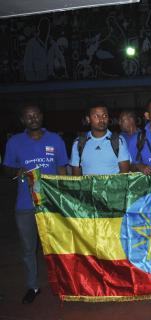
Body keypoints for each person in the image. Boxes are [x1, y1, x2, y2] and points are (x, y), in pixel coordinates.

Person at [3, 104, 69, 303]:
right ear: (23, 120)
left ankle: (64, 283)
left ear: (42, 117)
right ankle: (32, 286)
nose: (33, 119)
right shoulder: (14, 142)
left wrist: (63, 197)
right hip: (25, 205)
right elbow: (6, 167)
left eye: (36, 115)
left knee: (58, 245)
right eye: (28, 116)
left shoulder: (55, 139)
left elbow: (62, 170)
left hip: (51, 204)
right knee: (28, 248)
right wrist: (16, 172)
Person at [70, 104, 130, 176]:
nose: (101, 119)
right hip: (87, 188)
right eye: (96, 116)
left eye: (105, 116)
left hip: (113, 187)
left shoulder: (119, 141)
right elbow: (76, 179)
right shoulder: (78, 143)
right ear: (88, 119)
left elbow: (124, 176)